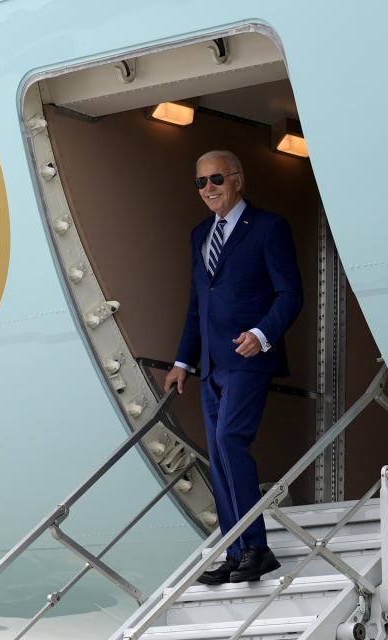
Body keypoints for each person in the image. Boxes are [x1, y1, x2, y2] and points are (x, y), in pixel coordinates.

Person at [164, 150, 303, 584]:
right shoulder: (200, 234)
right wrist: (183, 360)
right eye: (201, 182)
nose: (209, 189)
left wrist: (261, 335)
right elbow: (196, 306)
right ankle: (236, 549)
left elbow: (290, 294)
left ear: (238, 181)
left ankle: (257, 547)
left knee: (230, 440)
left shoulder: (268, 227)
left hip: (247, 358)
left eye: (217, 179)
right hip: (209, 366)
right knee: (219, 456)